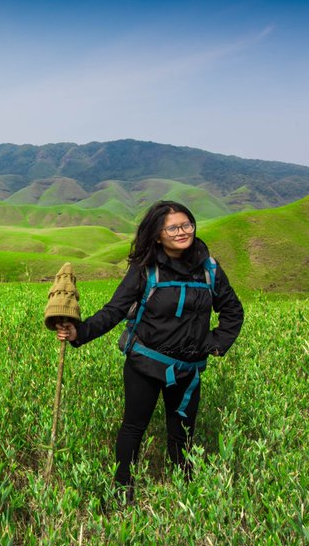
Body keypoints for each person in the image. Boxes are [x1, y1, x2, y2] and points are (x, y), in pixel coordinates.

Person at [54, 200, 244, 498]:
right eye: (173, 228)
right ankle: (122, 493)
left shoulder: (209, 268)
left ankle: (185, 493)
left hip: (188, 369)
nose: (183, 232)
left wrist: (217, 343)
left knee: (182, 434)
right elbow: (114, 310)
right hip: (146, 362)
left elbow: (233, 310)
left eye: (187, 225)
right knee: (133, 428)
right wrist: (81, 332)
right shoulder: (146, 270)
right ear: (157, 235)